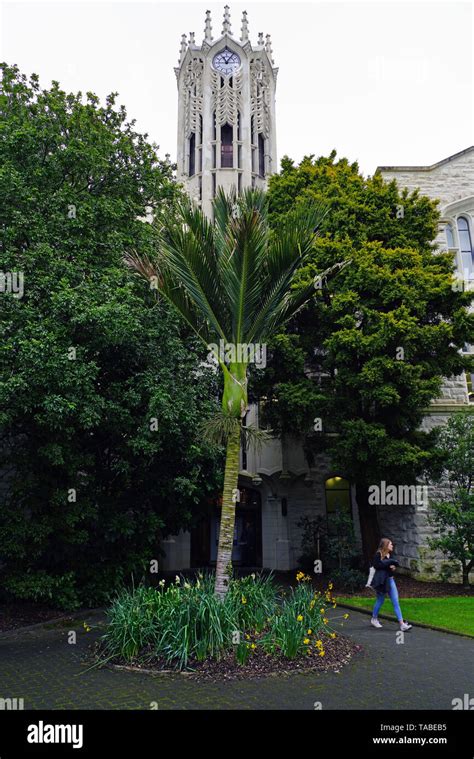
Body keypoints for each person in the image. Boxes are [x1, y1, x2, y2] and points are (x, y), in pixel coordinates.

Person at [369, 537, 412, 631]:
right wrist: (390, 564)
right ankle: (374, 618)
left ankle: (402, 624)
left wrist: (392, 568)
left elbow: (388, 567)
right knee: (380, 600)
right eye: (390, 544)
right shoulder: (378, 554)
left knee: (396, 601)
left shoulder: (389, 554)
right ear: (386, 545)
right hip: (381, 581)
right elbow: (377, 565)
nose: (392, 545)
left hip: (390, 580)